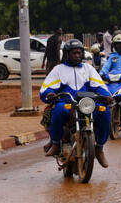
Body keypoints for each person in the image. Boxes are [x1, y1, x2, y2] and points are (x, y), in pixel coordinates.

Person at [40, 39, 113, 167]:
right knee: (58, 110)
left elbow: (99, 86)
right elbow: (47, 87)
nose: (77, 55)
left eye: (79, 53)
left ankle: (99, 148)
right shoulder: (58, 69)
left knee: (105, 111)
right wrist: (49, 94)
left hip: (87, 104)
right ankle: (56, 143)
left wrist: (107, 96)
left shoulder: (88, 68)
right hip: (67, 103)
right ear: (67, 54)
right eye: (74, 53)